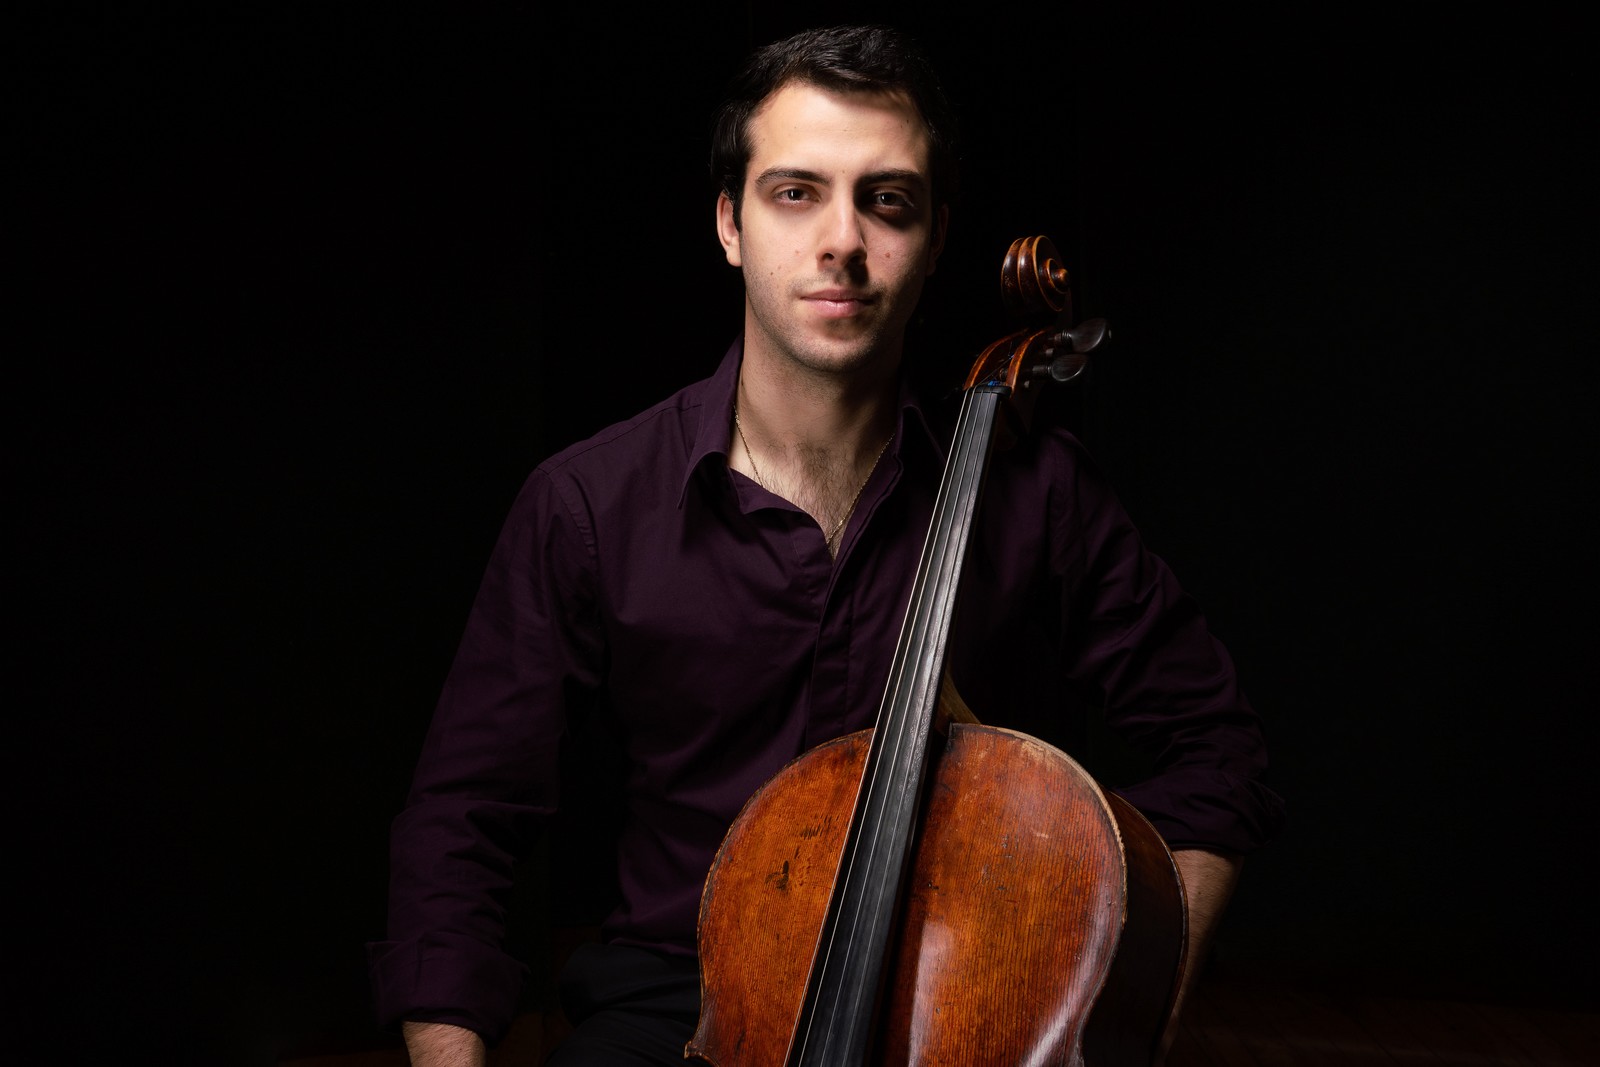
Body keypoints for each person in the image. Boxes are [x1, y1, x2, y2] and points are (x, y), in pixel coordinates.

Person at [368, 24, 1284, 1067]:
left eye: (886, 200)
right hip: (677, 1012)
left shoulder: (1038, 493)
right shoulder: (587, 503)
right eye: (796, 192)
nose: (842, 240)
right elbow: (463, 821)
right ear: (730, 222)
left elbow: (1218, 752)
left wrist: (1120, 1002)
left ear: (935, 238)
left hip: (954, 1004)